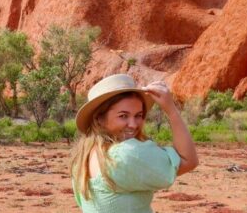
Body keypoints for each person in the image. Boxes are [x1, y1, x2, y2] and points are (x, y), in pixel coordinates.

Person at [70, 74, 198, 212]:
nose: (133, 124)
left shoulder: (83, 158)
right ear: (99, 118)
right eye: (123, 116)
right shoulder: (125, 155)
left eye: (139, 115)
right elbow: (188, 160)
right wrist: (171, 111)